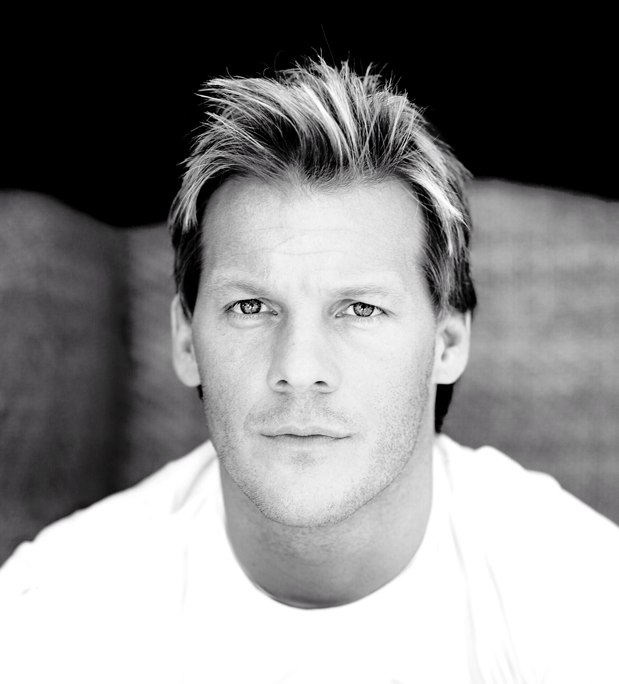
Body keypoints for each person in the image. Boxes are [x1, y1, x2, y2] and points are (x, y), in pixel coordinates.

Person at [1, 57, 618, 684]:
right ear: (185, 340)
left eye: (360, 309)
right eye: (251, 307)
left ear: (447, 342)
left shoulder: (581, 598)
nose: (299, 368)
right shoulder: (53, 615)